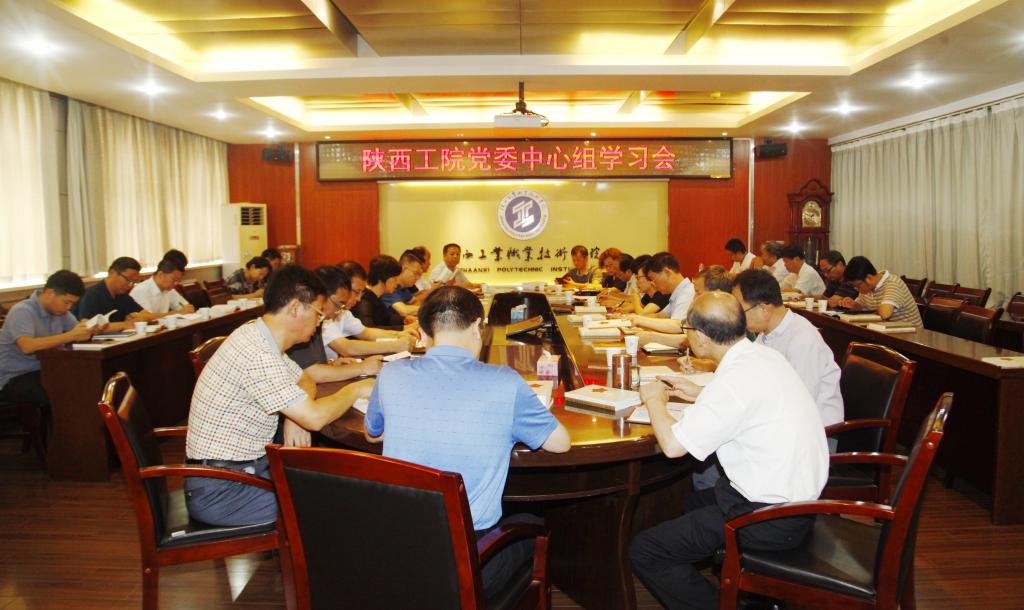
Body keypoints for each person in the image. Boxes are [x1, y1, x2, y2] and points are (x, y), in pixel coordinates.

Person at [364, 286, 570, 597]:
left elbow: (372, 433)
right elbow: (560, 443)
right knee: (533, 522)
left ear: (423, 334)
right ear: (478, 327)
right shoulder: (504, 381)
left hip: (398, 553)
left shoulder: (391, 374)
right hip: (471, 566)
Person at [630, 292, 829, 610]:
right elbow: (749, 400)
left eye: (687, 329)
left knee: (646, 551)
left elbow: (673, 446)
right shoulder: (762, 356)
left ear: (701, 337)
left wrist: (655, 400)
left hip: (769, 517)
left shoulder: (733, 381)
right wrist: (701, 392)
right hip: (799, 501)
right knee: (691, 501)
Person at [184, 265, 374, 527]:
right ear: (295, 308)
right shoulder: (258, 354)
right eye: (318, 313)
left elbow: (304, 378)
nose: (320, 322)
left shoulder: (258, 335)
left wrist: (294, 417)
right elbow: (315, 418)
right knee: (338, 500)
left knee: (334, 481)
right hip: (225, 489)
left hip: (244, 470)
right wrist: (356, 389)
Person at [733, 269, 844, 441]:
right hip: (782, 423)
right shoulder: (767, 334)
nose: (738, 319)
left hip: (813, 436)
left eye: (741, 312)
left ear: (763, 309)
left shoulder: (802, 340)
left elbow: (799, 403)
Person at [0, 270, 94, 407]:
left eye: (72, 304)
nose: (69, 308)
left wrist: (87, 329)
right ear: (50, 293)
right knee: (62, 390)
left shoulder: (61, 312)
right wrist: (71, 335)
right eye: (66, 302)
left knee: (88, 380)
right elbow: (27, 346)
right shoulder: (22, 311)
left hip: (47, 369)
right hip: (15, 377)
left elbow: (76, 332)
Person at [286, 265, 382, 382]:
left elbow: (310, 365)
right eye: (338, 305)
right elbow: (312, 373)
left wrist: (331, 365)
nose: (338, 312)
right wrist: (361, 368)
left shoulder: (319, 321)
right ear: (322, 297)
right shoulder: (301, 323)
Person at [323, 262, 417, 359]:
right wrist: (395, 345)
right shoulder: (325, 313)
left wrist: (398, 335)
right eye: (357, 292)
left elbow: (366, 332)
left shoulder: (344, 312)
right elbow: (346, 348)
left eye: (361, 293)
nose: (359, 299)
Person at [839, 256, 924, 327]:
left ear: (868, 278)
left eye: (857, 285)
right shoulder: (868, 288)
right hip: (888, 333)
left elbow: (885, 314)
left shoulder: (893, 283)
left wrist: (873, 312)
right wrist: (853, 304)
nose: (856, 289)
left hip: (912, 337)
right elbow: (861, 306)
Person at [626, 252, 695, 335]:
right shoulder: (677, 293)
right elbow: (658, 316)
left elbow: (677, 325)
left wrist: (639, 320)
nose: (653, 284)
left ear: (667, 272)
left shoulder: (688, 292)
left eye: (653, 279)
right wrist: (634, 318)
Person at [72, 257, 144, 327]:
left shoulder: (122, 295)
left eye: (133, 282)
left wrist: (136, 316)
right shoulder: (91, 295)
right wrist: (126, 324)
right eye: (128, 279)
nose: (130, 285)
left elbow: (145, 313)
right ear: (112, 273)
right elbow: (89, 327)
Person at [352, 255, 406, 330]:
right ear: (384, 277)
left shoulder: (377, 296)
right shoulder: (364, 300)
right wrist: (403, 328)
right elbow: (368, 328)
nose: (397, 283)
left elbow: (387, 318)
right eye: (395, 279)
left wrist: (404, 320)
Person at [129, 258, 195, 317]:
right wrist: (177, 313)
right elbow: (147, 317)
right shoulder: (140, 290)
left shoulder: (169, 289)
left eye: (178, 281)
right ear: (160, 275)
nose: (176, 283)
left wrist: (187, 308)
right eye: (174, 280)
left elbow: (185, 307)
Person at [381, 250, 426, 319]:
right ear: (403, 269)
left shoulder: (402, 288)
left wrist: (409, 309)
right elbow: (404, 311)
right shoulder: (388, 287)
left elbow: (415, 302)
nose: (417, 278)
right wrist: (428, 308)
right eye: (415, 273)